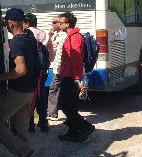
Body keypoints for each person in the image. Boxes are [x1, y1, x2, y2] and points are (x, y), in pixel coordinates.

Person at [0, 7, 40, 157]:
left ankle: (21, 150)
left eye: (6, 24)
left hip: (18, 92)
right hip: (29, 91)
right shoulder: (30, 37)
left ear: (11, 24)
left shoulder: (16, 42)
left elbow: (20, 70)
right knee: (21, 131)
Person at [57, 12, 95, 142]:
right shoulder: (71, 37)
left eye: (61, 23)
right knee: (70, 106)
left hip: (71, 77)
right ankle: (73, 132)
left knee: (65, 105)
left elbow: (76, 60)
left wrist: (77, 79)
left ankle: (86, 127)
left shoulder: (75, 38)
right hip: (68, 75)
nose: (59, 25)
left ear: (67, 24)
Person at [23, 12, 50, 133]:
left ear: (27, 23)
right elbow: (50, 52)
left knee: (30, 97)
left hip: (30, 72)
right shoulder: (44, 34)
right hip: (42, 72)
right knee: (41, 96)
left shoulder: (26, 34)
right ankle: (43, 123)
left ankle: (30, 124)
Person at [46, 16, 66, 120]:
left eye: (54, 22)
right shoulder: (55, 35)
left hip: (60, 68)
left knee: (53, 89)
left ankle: (52, 114)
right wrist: (50, 36)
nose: (52, 24)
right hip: (56, 67)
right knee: (56, 89)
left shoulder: (63, 35)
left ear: (59, 24)